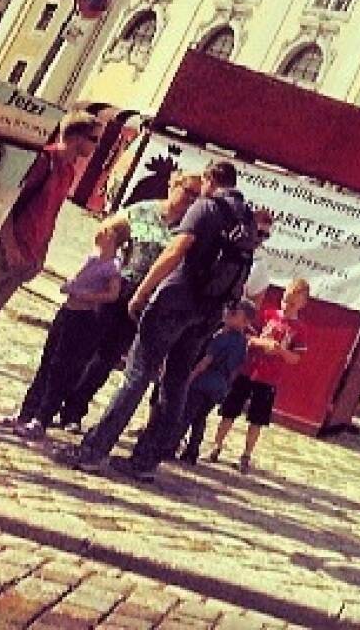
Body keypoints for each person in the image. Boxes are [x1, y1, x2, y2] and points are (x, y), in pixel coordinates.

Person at [60, 159, 256, 481]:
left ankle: (94, 451)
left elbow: (175, 252)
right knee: (177, 382)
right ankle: (146, 462)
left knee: (137, 374)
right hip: (208, 313)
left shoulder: (207, 207)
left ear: (209, 179)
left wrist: (143, 293)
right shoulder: (246, 220)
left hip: (175, 302)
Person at [0, 112, 101, 419]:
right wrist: (12, 248)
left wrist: (39, 256)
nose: (96, 146)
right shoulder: (42, 162)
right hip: (1, 253)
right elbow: (3, 204)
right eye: (94, 139)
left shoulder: (68, 170)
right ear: (77, 137)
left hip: (24, 259)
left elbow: (51, 215)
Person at [56, 171, 202, 431]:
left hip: (147, 300)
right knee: (85, 348)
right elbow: (107, 231)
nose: (190, 199)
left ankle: (75, 410)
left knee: (108, 357)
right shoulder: (142, 210)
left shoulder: (188, 230)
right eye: (187, 191)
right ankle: (55, 400)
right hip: (118, 288)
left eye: (196, 196)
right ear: (173, 185)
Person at [0, 220, 128, 439]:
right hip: (67, 311)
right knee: (47, 361)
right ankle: (26, 412)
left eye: (105, 231)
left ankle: (41, 418)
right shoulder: (93, 256)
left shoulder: (112, 266)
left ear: (113, 237)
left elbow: (113, 294)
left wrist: (87, 296)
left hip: (81, 317)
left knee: (60, 367)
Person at [208, 278, 309, 474]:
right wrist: (262, 344)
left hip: (269, 378)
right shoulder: (268, 315)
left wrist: (281, 351)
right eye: (286, 300)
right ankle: (216, 446)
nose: (287, 305)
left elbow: (296, 358)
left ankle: (246, 454)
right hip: (248, 371)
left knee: (257, 419)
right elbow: (247, 337)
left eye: (293, 303)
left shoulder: (300, 330)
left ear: (302, 304)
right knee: (229, 410)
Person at [177, 298, 254, 465]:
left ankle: (171, 445)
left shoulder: (221, 337)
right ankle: (192, 451)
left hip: (203, 382)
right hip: (220, 386)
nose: (228, 313)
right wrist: (226, 387)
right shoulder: (243, 343)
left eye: (234, 313)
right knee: (201, 417)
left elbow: (207, 360)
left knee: (187, 414)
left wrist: (191, 377)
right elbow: (236, 369)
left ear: (246, 322)